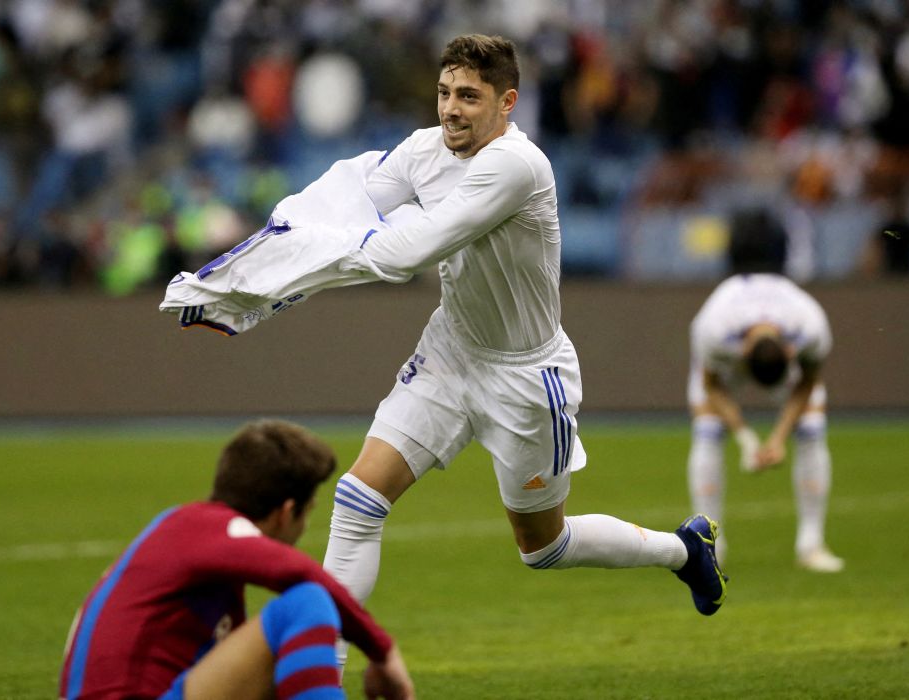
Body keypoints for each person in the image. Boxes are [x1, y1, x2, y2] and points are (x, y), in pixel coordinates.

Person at [319, 33, 728, 668]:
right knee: (357, 499)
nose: (451, 109)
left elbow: (408, 251)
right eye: (445, 93)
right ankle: (324, 673)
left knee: (544, 547)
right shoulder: (425, 150)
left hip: (526, 379)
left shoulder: (519, 165)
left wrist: (298, 275)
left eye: (470, 97)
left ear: (506, 103)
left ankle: (683, 551)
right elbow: (349, 207)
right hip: (452, 349)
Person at [59, 419, 414, 700]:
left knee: (278, 662)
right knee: (307, 602)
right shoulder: (213, 529)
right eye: (306, 513)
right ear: (285, 512)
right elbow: (298, 572)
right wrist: (382, 651)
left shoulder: (184, 528)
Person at [686, 272, 844, 573]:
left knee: (812, 427)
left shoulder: (811, 328)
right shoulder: (714, 331)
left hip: (775, 347)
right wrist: (745, 436)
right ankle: (709, 547)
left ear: (790, 352)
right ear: (743, 355)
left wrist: (777, 438)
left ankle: (811, 545)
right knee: (707, 430)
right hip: (723, 354)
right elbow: (712, 385)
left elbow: (807, 383)